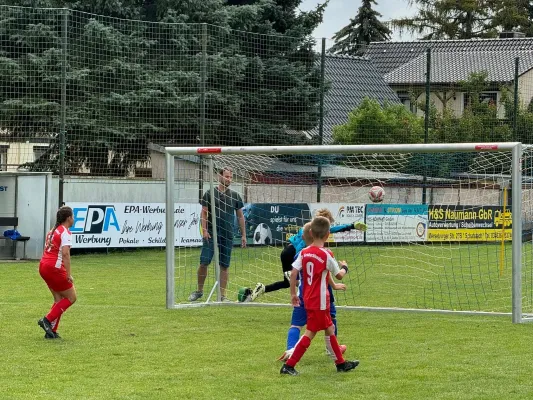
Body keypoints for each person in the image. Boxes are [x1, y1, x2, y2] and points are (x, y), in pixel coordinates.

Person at [280, 216, 359, 375]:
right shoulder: (326, 254)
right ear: (328, 234)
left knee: (329, 328)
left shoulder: (304, 252)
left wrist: (293, 294)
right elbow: (339, 275)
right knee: (311, 332)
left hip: (307, 297)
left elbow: (294, 272)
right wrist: (345, 267)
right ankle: (289, 365)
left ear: (310, 232)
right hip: (320, 301)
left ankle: (341, 364)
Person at [249, 208, 366, 301]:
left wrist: (352, 226)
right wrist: (297, 261)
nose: (328, 228)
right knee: (305, 279)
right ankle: (313, 301)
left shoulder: (310, 228)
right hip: (292, 253)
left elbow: (334, 229)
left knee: (288, 282)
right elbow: (300, 246)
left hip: (286, 252)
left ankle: (263, 288)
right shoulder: (310, 229)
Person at [189, 167, 246, 302]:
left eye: (231, 177)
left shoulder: (235, 196)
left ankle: (222, 296)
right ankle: (199, 291)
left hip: (227, 234)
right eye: (227, 176)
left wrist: (243, 235)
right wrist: (204, 230)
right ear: (219, 177)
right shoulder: (210, 193)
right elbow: (204, 212)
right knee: (204, 262)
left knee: (224, 265)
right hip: (211, 234)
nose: (229, 179)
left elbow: (240, 216)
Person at [37, 206, 77, 339]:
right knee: (71, 298)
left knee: (58, 299)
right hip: (54, 267)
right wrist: (68, 274)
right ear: (68, 218)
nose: (74, 218)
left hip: (44, 266)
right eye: (73, 216)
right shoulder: (65, 232)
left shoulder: (52, 231)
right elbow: (65, 254)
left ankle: (51, 331)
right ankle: (47, 320)